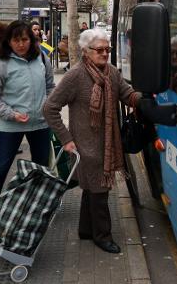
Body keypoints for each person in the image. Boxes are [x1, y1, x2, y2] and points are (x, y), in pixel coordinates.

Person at [43, 29, 139, 254]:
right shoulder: (75, 76)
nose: (105, 53)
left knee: (91, 190)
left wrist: (143, 100)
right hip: (85, 147)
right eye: (100, 50)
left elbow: (127, 94)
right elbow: (49, 108)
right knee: (99, 192)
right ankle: (102, 236)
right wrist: (66, 139)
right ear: (86, 52)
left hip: (106, 145)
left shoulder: (112, 73)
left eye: (108, 49)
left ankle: (86, 230)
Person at [0, 20, 55, 232]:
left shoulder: (42, 58)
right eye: (16, 40)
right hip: (11, 126)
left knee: (41, 169)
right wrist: (11, 114)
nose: (21, 44)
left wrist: (47, 106)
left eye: (25, 39)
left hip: (40, 125)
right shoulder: (0, 64)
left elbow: (50, 87)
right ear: (9, 41)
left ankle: (37, 209)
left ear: (32, 40)